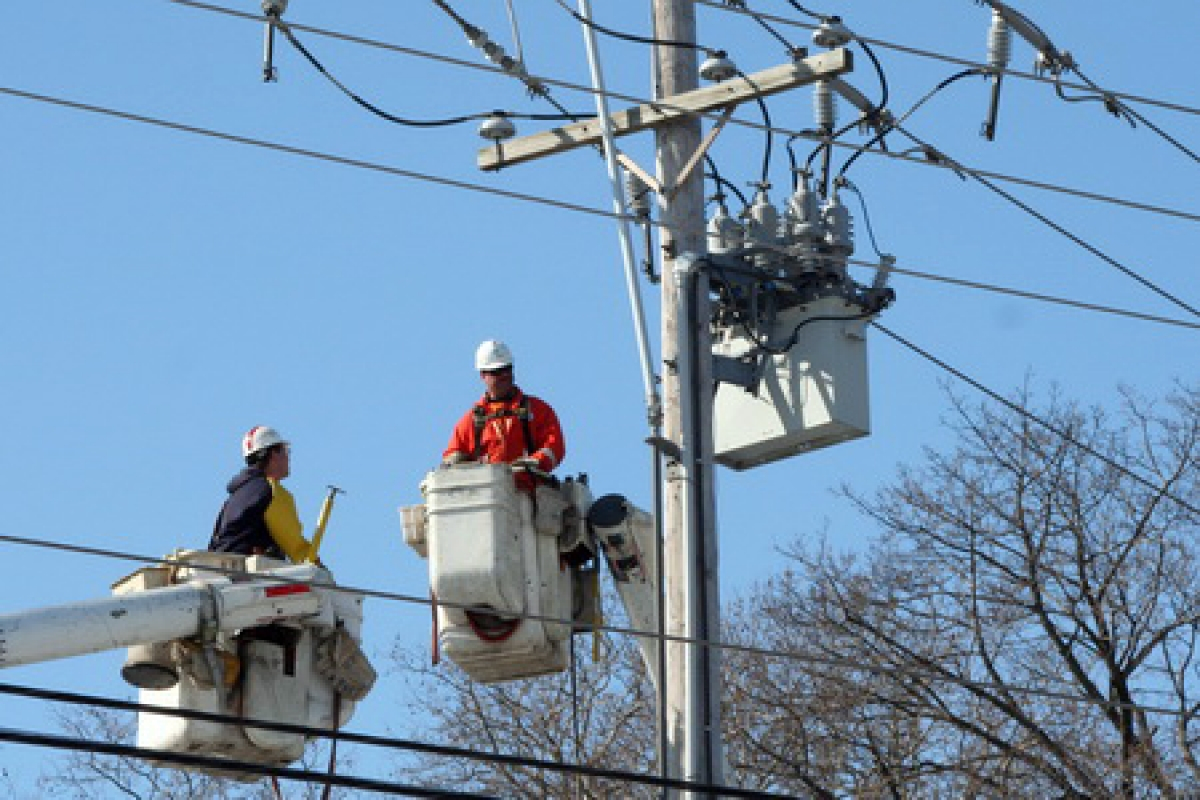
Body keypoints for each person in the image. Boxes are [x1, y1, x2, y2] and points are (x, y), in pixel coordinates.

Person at [443, 340, 566, 492]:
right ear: (483, 375)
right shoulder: (471, 421)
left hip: (529, 493)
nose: (504, 375)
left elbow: (555, 446)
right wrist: (456, 462)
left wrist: (535, 462)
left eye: (507, 369)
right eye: (496, 371)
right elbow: (452, 457)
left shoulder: (538, 410)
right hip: (490, 496)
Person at [208, 425, 316, 562]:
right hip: (251, 572)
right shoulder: (271, 490)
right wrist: (318, 568)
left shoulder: (234, 498)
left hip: (220, 568)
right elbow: (296, 546)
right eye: (285, 450)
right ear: (273, 454)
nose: (288, 457)